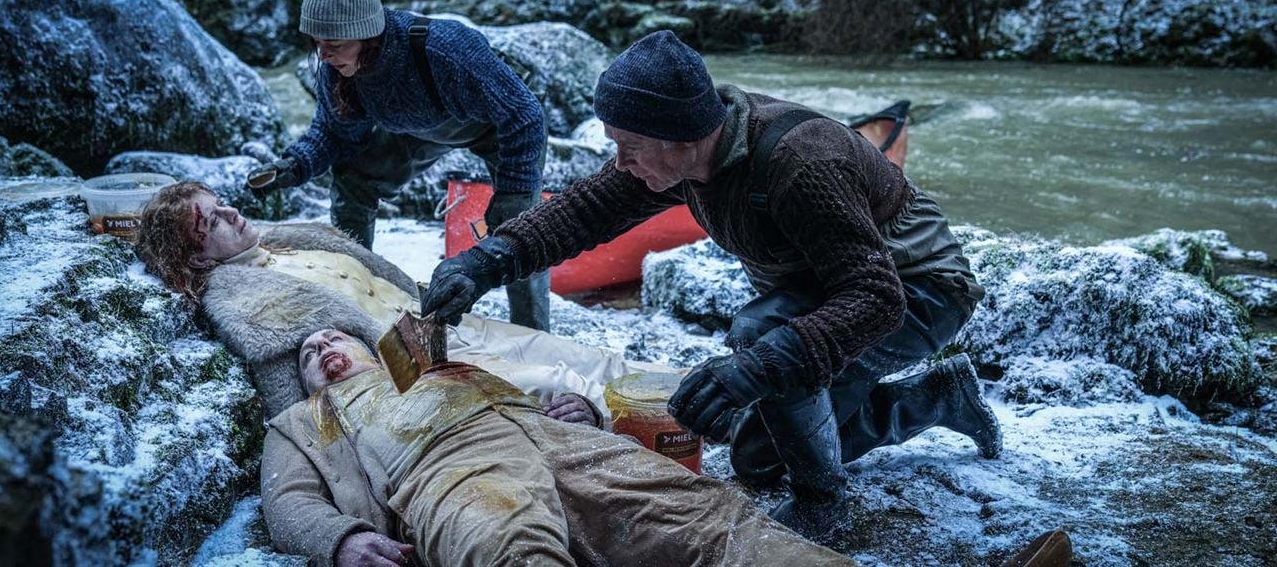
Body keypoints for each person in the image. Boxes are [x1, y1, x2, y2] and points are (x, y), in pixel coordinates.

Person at [418, 31, 1002, 540]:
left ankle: (825, 503)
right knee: (757, 457)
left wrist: (759, 366)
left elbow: (875, 298)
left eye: (629, 147)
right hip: (828, 292)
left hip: (918, 290)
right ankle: (938, 399)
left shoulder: (802, 163)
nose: (621, 163)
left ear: (677, 137)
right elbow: (584, 211)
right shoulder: (683, 155)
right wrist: (487, 261)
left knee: (761, 337)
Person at [261, 321, 856, 567]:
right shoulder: (303, 418)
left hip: (560, 441)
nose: (324, 350)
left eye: (335, 337)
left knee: (709, 516)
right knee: (512, 551)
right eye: (311, 356)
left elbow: (549, 382)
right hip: (449, 472)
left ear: (369, 347)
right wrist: (341, 541)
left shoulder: (436, 365)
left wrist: (586, 411)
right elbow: (287, 502)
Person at [132, 182, 670, 421]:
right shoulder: (236, 299)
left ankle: (708, 396)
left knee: (588, 357)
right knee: (559, 386)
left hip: (441, 322)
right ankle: (665, 423)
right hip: (410, 363)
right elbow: (285, 388)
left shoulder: (283, 235)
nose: (230, 214)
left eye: (223, 204)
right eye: (212, 222)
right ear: (198, 259)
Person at [245, 0, 550, 331]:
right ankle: (358, 293)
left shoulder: (444, 48)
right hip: (409, 131)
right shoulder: (337, 70)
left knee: (519, 228)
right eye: (316, 42)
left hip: (492, 128)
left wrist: (513, 190)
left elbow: (526, 116)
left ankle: (534, 333)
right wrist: (293, 166)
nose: (323, 55)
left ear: (366, 34)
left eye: (335, 44)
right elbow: (335, 135)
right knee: (353, 181)